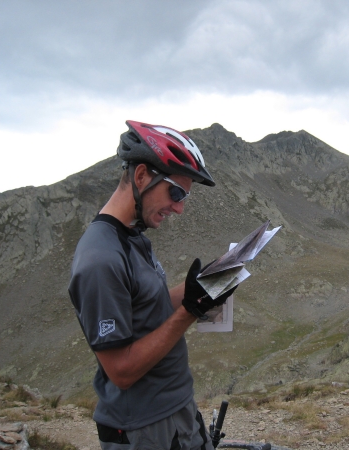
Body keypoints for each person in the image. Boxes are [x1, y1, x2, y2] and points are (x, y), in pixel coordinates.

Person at [68, 120, 235, 450]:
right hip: (144, 429)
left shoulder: (133, 237)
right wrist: (190, 311)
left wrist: (205, 286)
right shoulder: (100, 258)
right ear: (142, 176)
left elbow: (150, 304)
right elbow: (122, 371)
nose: (180, 208)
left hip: (175, 413)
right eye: (175, 193)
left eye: (184, 196)